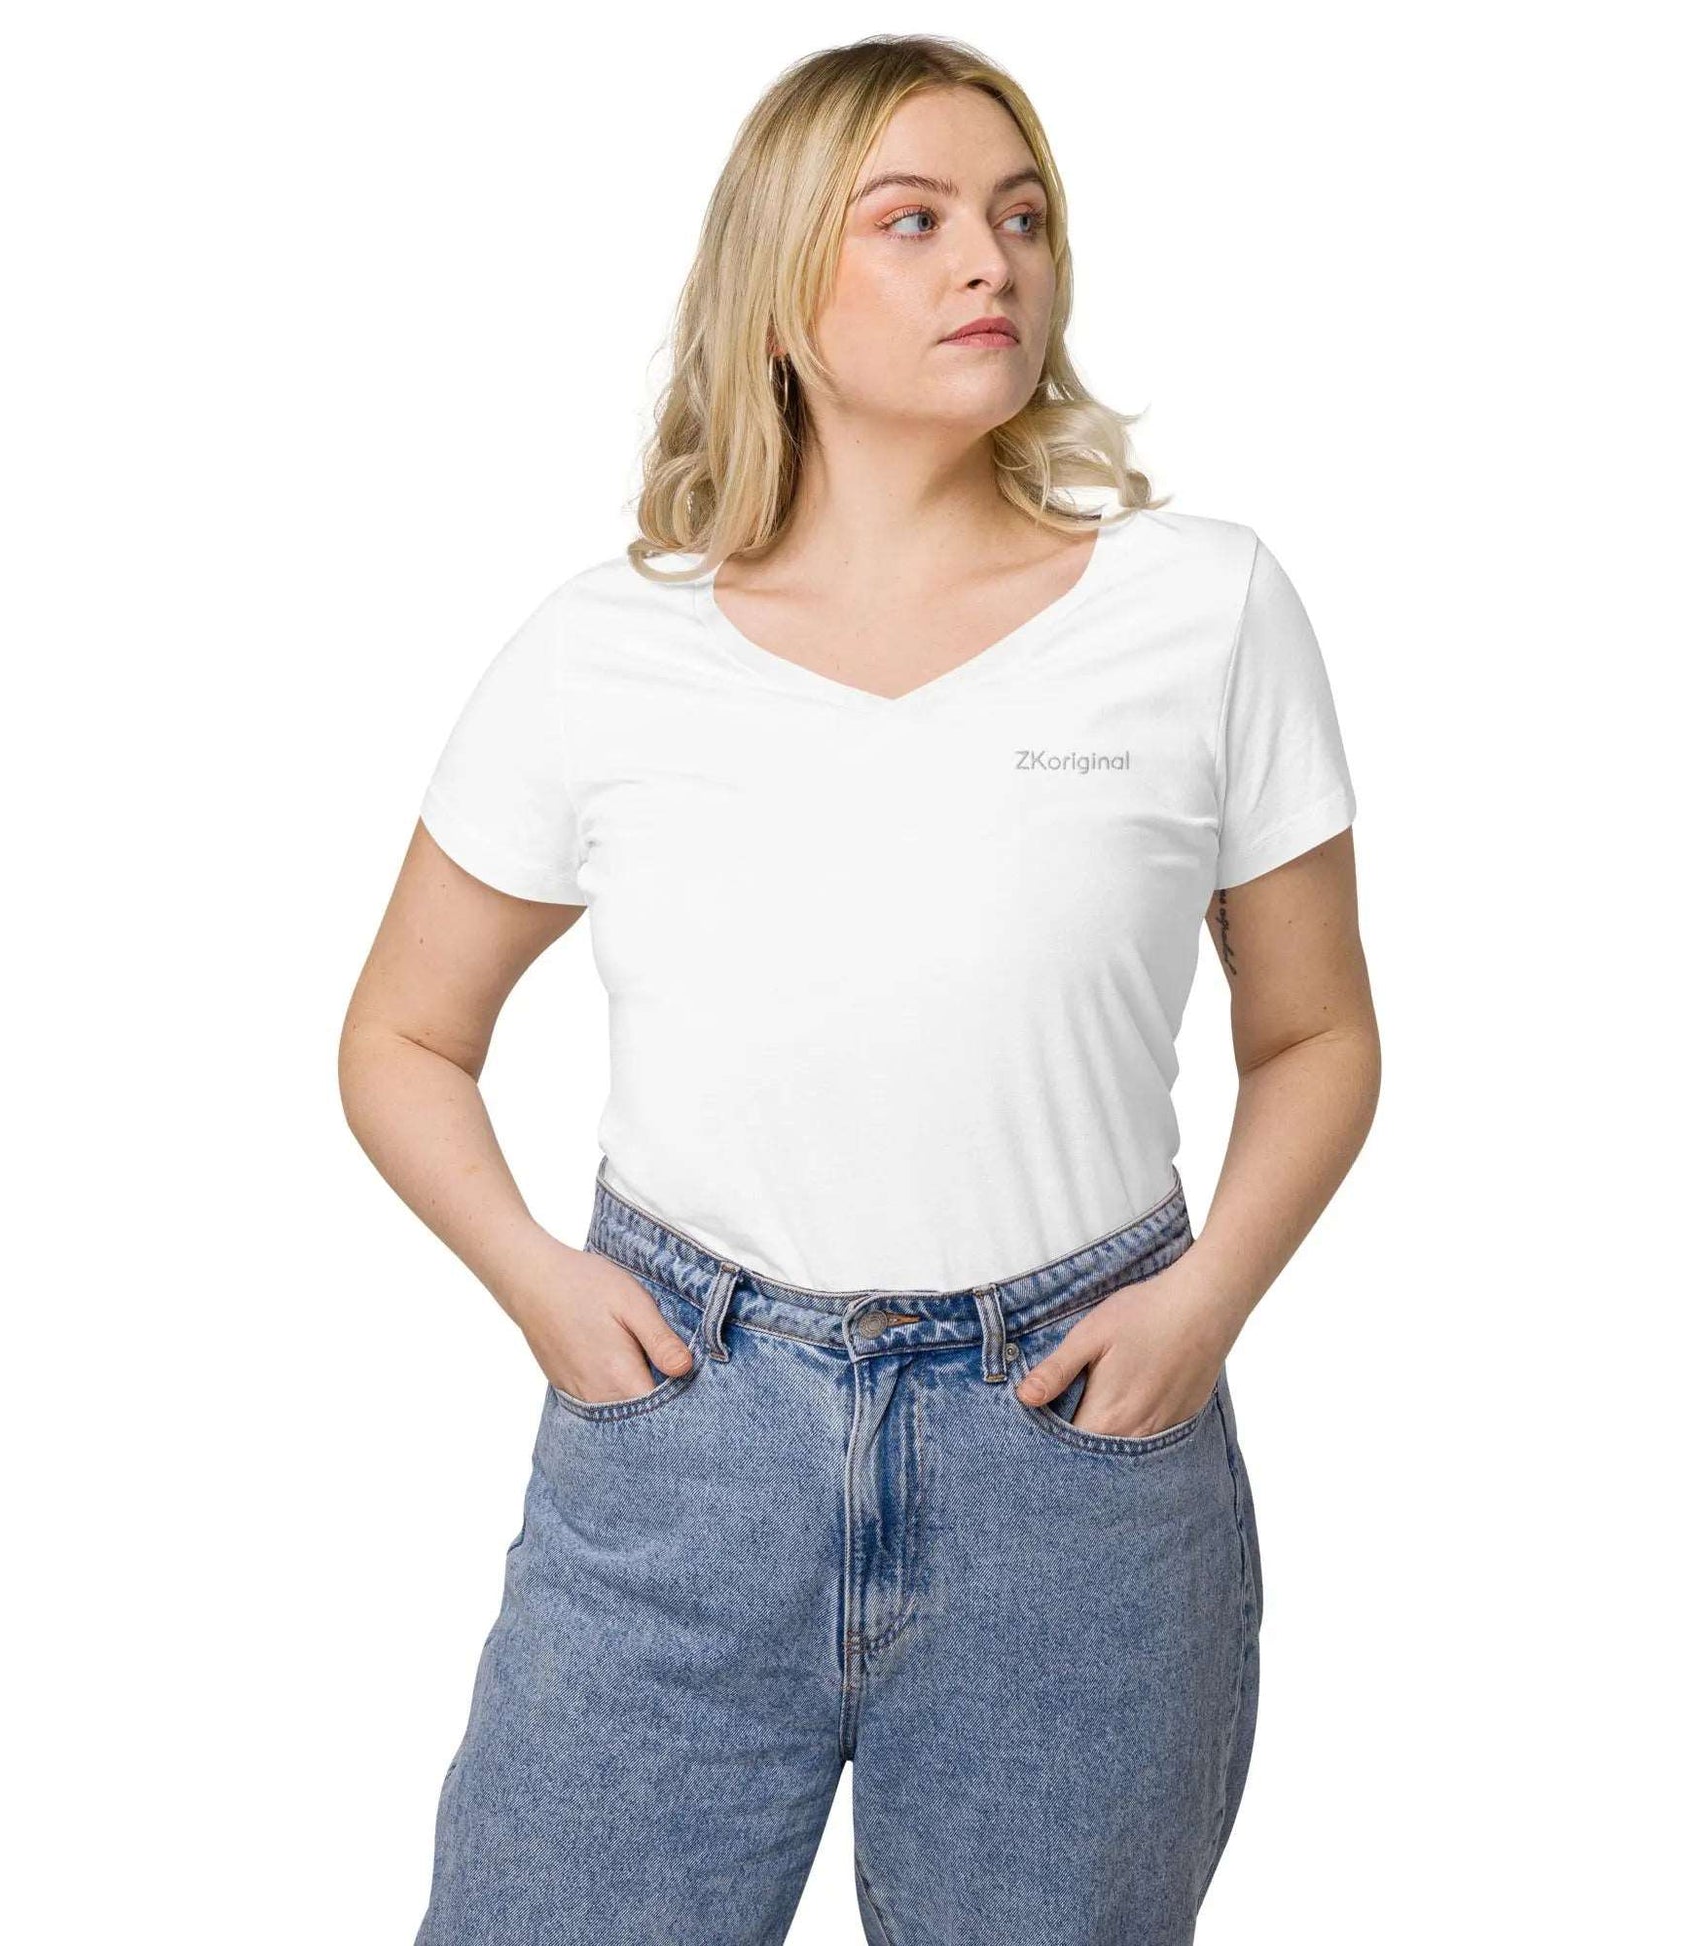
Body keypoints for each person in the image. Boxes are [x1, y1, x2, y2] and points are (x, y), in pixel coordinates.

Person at [339, 32, 1379, 1946]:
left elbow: (1314, 1033)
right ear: (776, 288)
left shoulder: (1201, 609)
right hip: (686, 1434)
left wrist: (1205, 1303)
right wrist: (543, 1285)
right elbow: (402, 1035)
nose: (989, 260)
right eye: (911, 221)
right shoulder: (604, 651)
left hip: (1072, 1450)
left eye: (1020, 216)